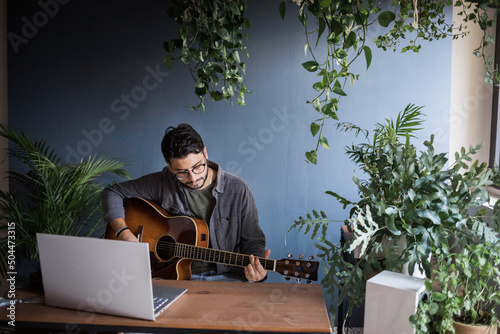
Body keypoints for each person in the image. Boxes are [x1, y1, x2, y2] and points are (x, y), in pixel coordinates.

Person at [101, 123, 270, 282]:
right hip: (172, 278)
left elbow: (253, 242)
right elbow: (112, 192)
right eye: (181, 173)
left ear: (205, 152)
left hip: (225, 278)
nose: (193, 178)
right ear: (168, 165)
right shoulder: (163, 182)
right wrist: (124, 232)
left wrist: (256, 271)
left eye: (198, 167)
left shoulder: (237, 189)